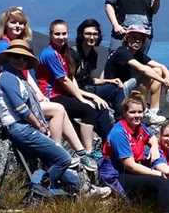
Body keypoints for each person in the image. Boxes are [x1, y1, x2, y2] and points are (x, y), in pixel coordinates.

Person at [0, 7, 94, 170]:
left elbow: (25, 75)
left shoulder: (13, 44)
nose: (18, 26)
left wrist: (39, 95)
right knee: (58, 109)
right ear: (5, 25)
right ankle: (56, 153)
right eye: (13, 22)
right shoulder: (4, 47)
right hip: (7, 105)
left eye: (21, 23)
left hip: (21, 99)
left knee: (60, 109)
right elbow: (11, 82)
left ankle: (80, 152)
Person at [0, 40, 81, 192]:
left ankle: (74, 187)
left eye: (24, 58)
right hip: (20, 127)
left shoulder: (17, 77)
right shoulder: (8, 77)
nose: (20, 60)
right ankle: (41, 187)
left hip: (23, 127)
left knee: (69, 176)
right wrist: (39, 125)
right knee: (64, 158)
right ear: (9, 57)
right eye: (16, 56)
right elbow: (22, 109)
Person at [36, 20, 112, 160]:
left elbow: (71, 78)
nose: (61, 37)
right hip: (50, 96)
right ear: (51, 35)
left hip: (61, 93)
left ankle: (101, 145)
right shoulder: (50, 54)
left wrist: (89, 96)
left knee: (94, 106)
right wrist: (82, 99)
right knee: (88, 109)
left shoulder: (62, 52)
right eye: (57, 34)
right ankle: (88, 151)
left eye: (64, 34)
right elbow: (63, 80)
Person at [103, 25, 169, 123]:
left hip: (125, 87)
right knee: (147, 73)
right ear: (127, 38)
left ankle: (153, 112)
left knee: (157, 70)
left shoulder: (137, 54)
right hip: (116, 90)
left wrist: (168, 79)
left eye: (140, 39)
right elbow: (143, 69)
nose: (137, 41)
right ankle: (143, 109)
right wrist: (163, 81)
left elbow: (161, 67)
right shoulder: (122, 52)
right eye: (134, 38)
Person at [73, 19, 136, 116]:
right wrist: (92, 96)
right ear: (81, 35)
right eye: (88, 34)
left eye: (95, 34)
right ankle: (121, 118)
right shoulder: (74, 53)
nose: (92, 37)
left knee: (114, 86)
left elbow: (89, 79)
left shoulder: (93, 54)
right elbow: (69, 84)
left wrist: (109, 81)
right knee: (115, 90)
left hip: (87, 88)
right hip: (76, 93)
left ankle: (119, 114)